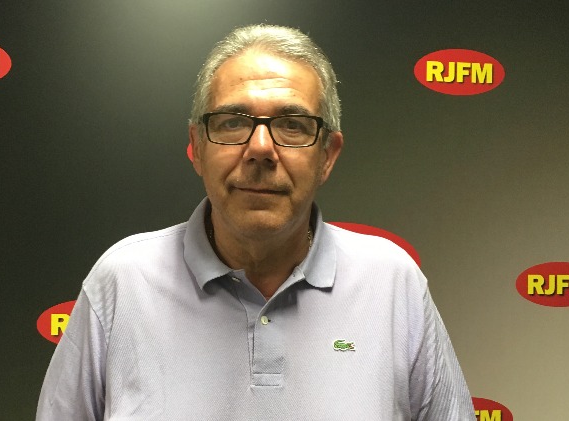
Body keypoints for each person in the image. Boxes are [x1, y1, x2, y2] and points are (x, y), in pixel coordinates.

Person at [37, 24, 474, 420]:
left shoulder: (393, 286)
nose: (261, 148)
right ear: (197, 147)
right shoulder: (122, 284)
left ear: (327, 156)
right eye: (232, 122)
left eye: (292, 125)